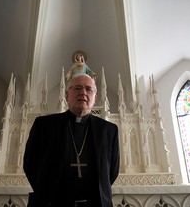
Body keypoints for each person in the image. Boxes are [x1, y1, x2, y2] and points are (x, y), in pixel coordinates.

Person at [23, 74, 120, 207]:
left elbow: (112, 171)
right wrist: (46, 192)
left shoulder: (109, 130)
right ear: (67, 95)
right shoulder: (44, 125)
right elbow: (30, 164)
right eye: (78, 88)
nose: (83, 93)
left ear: (95, 98)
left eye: (88, 89)